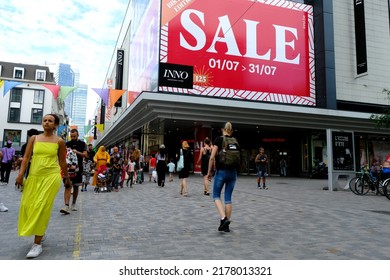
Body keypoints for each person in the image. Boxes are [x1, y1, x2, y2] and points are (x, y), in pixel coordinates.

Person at [16, 114, 71, 258]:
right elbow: (26, 158)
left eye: (50, 121)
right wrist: (21, 175)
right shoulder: (34, 139)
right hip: (33, 177)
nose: (46, 122)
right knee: (27, 205)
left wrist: (66, 178)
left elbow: (62, 162)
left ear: (55, 125)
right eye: (45, 120)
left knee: (41, 207)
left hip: (51, 178)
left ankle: (37, 244)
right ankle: (41, 231)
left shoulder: (59, 141)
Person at [207, 122, 239, 233]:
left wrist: (209, 172)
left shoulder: (218, 140)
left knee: (216, 195)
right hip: (233, 173)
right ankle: (226, 226)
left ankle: (223, 218)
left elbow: (212, 158)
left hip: (221, 172)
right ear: (231, 130)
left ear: (222, 129)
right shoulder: (235, 141)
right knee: (228, 198)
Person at [60, 129, 87, 214]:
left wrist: (77, 152)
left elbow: (86, 155)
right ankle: (66, 205)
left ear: (78, 135)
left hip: (78, 168)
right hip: (68, 169)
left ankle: (74, 203)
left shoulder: (82, 144)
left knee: (75, 186)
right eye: (71, 136)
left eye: (74, 136)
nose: (73, 137)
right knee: (68, 186)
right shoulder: (67, 144)